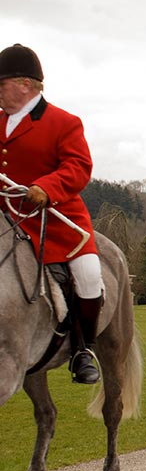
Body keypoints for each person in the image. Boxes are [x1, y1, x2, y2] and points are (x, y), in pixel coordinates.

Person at [0, 44, 101, 384]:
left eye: (1, 84)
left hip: (55, 220)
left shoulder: (64, 122)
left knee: (88, 276)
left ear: (25, 84)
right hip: (7, 217)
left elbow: (79, 166)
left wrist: (46, 187)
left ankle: (83, 350)